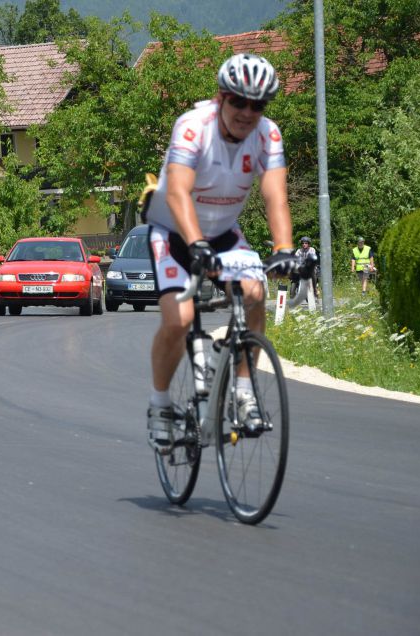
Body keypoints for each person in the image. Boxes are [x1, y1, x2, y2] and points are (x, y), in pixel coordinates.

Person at [143, 53, 299, 451]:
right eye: (239, 102)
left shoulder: (268, 135)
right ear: (220, 98)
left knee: (254, 294)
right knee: (180, 318)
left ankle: (243, 390)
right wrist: (195, 245)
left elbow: (275, 196)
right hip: (174, 231)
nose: (248, 113)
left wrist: (284, 249)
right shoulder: (193, 127)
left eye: (258, 104)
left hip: (224, 231)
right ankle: (160, 403)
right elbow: (177, 191)